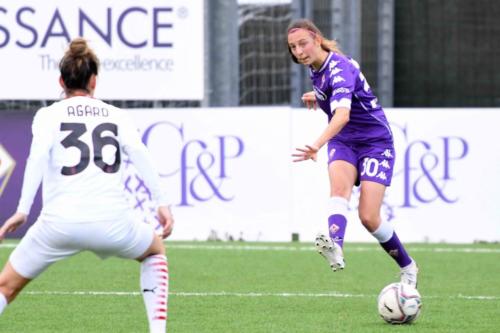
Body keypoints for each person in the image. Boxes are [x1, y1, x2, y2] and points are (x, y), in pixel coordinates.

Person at [0, 38, 174, 332]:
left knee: (6, 286)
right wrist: (161, 203)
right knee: (155, 251)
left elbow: (37, 156)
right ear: (94, 81)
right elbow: (140, 154)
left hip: (58, 226)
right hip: (114, 223)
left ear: (60, 81)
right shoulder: (117, 116)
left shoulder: (48, 115)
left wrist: (23, 210)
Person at [288, 19, 418, 287]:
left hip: (375, 142)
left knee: (369, 217)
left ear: (316, 39)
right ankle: (335, 245)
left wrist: (316, 144)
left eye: (303, 44)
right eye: (293, 47)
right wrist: (319, 95)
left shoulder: (339, 67)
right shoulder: (319, 68)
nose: (299, 51)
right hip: (344, 141)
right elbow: (347, 84)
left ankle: (408, 267)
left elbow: (343, 114)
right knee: (338, 192)